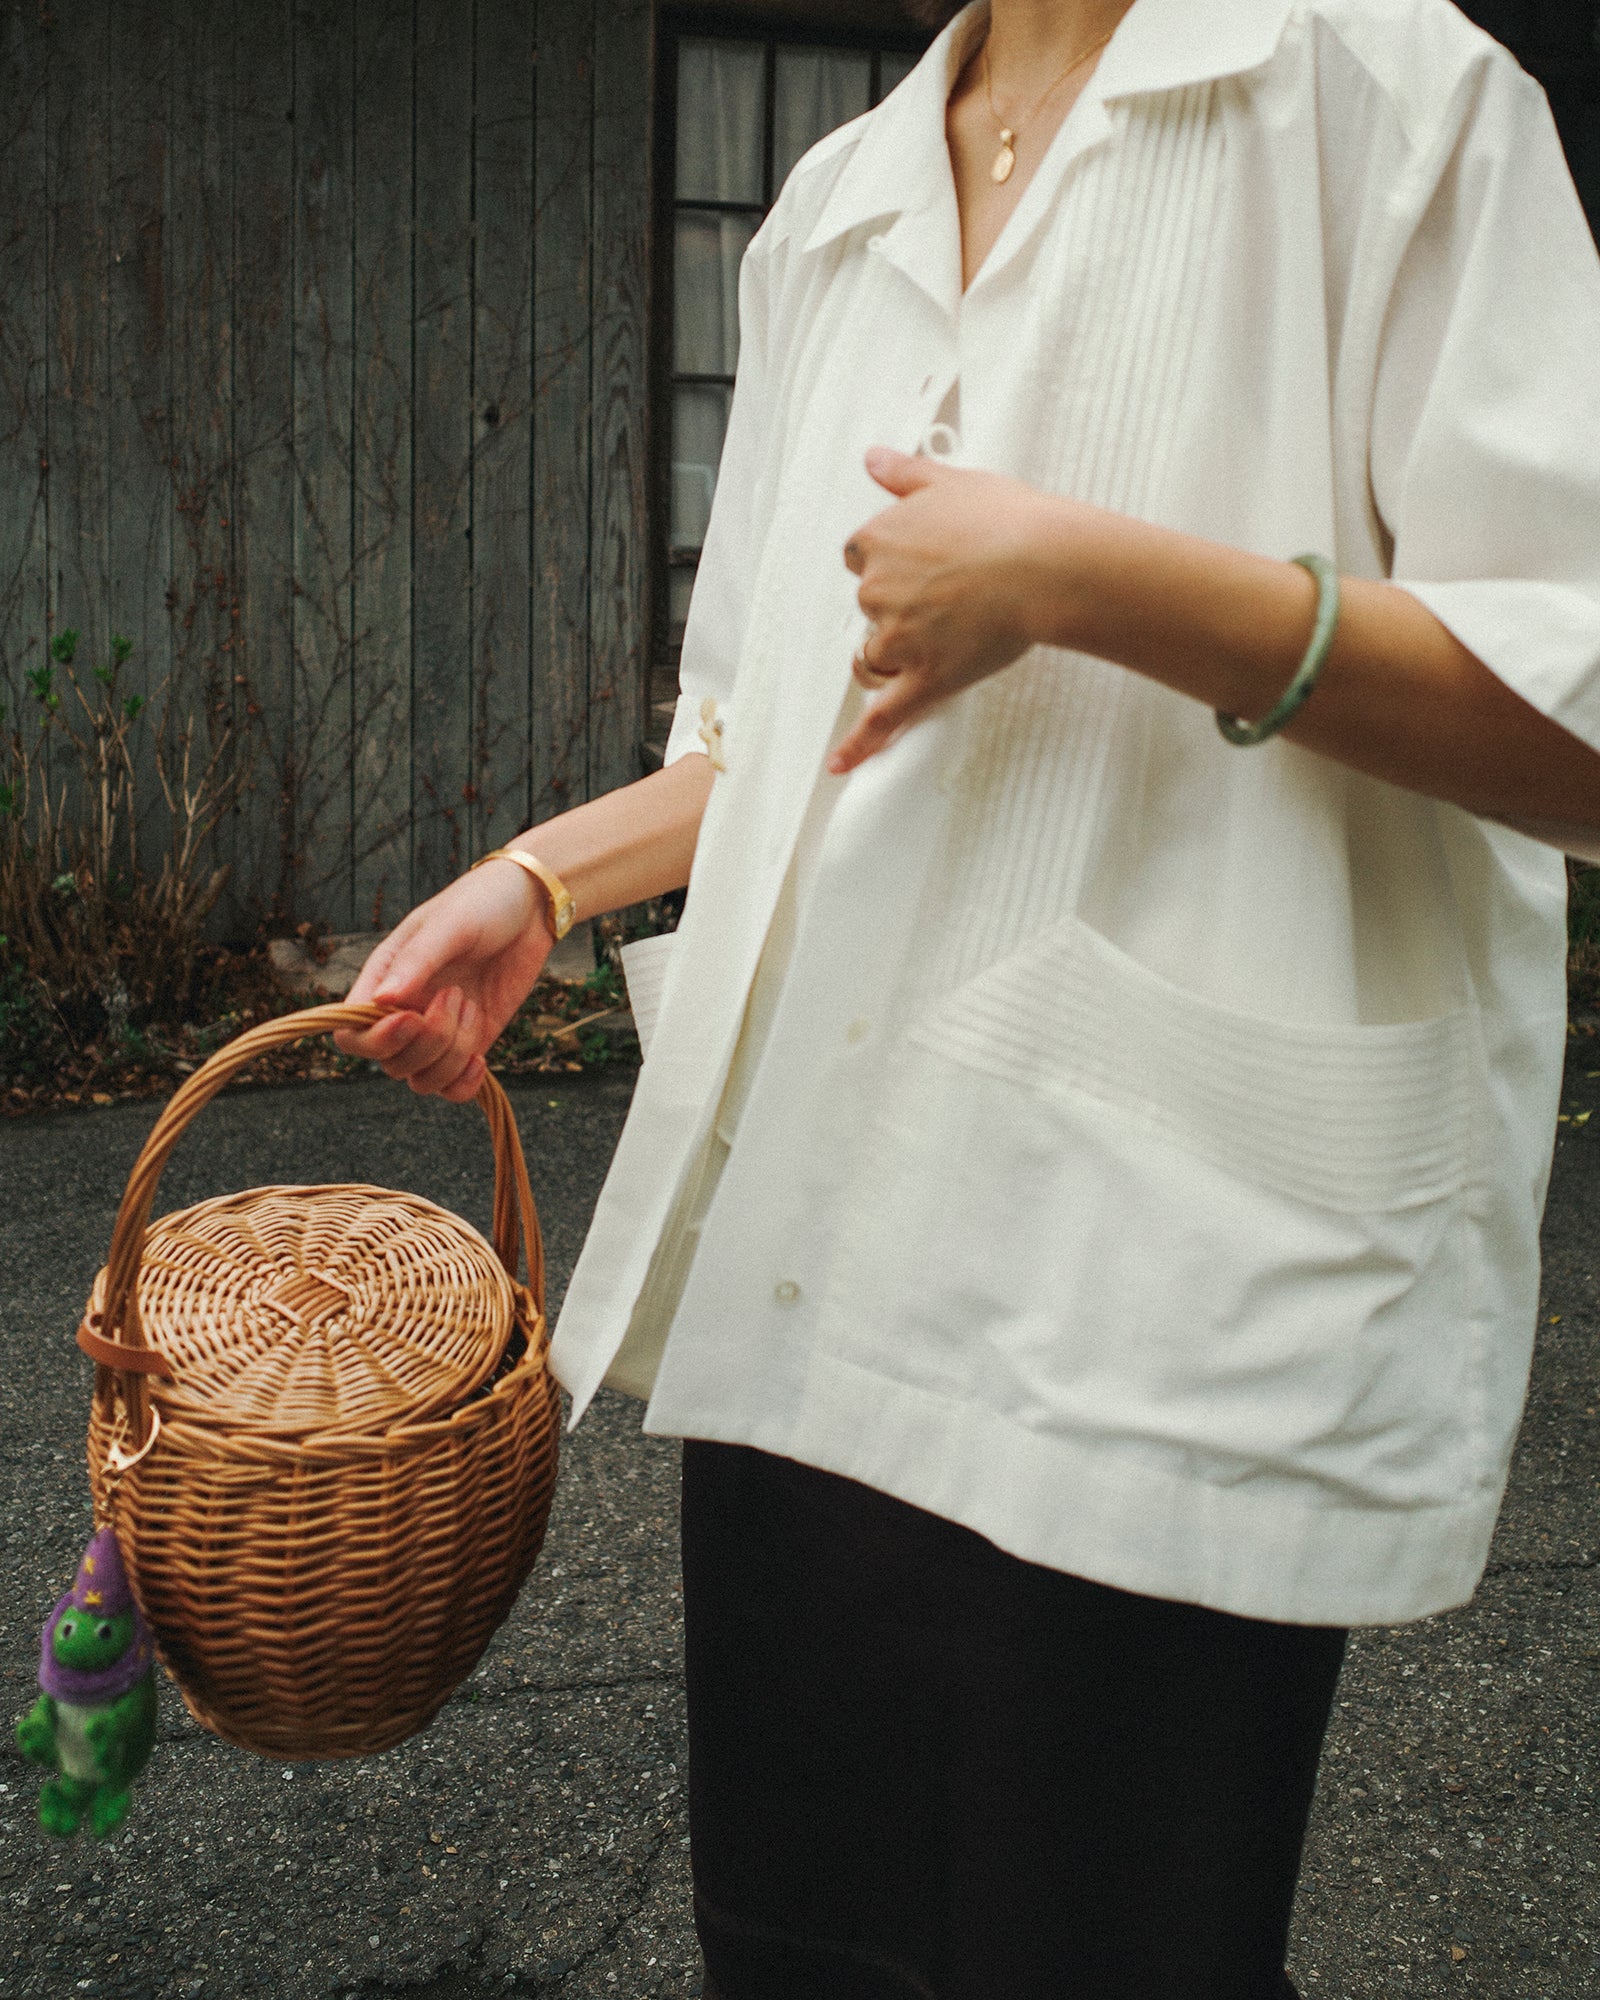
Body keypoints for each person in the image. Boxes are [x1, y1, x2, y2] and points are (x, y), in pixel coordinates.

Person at [339, 1, 1600, 1992]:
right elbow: (782, 730)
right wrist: (542, 879)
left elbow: (1573, 728)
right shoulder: (835, 202)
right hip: (821, 1265)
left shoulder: (1393, 93)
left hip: (1161, 1282)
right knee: (806, 1944)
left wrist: (1086, 578)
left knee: (1100, 1945)